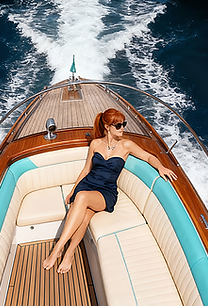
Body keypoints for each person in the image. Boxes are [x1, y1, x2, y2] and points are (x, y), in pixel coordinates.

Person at [42, 107, 178, 273]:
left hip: (106, 192)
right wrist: (73, 190)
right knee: (82, 217)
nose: (123, 128)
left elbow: (148, 156)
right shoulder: (95, 144)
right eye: (118, 125)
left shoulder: (126, 145)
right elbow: (86, 170)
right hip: (88, 185)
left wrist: (161, 167)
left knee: (82, 198)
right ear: (107, 127)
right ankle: (69, 253)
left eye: (123, 124)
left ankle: (58, 249)